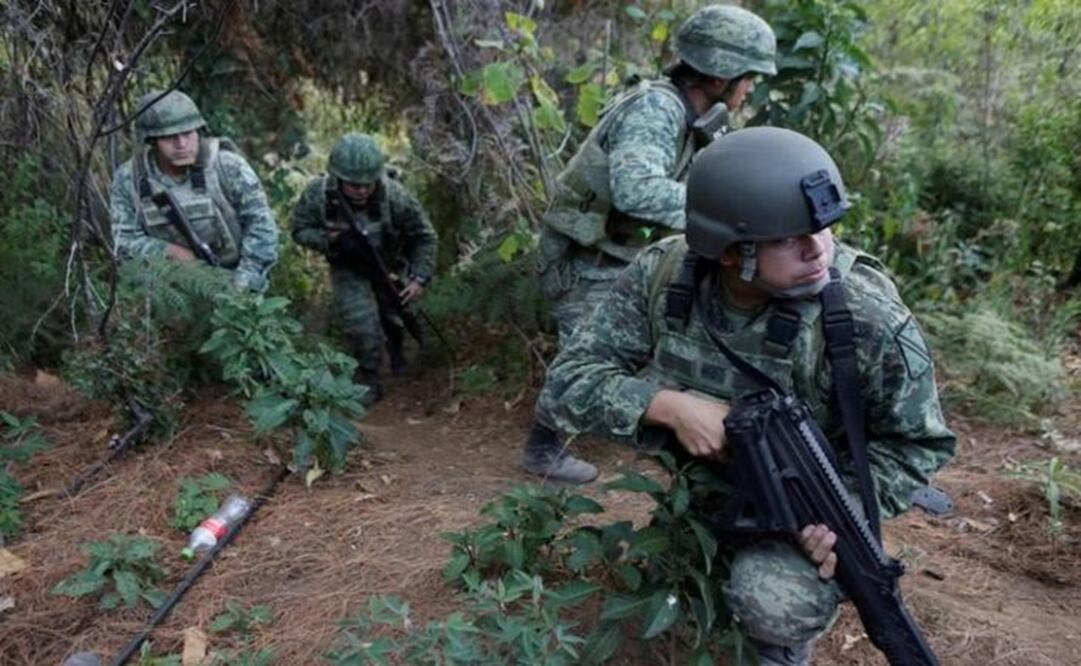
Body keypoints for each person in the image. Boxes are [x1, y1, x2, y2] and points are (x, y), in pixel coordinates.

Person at [539, 127, 956, 664]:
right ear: (731, 253)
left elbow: (917, 444)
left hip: (816, 507)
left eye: (824, 228)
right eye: (787, 237)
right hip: (709, 495)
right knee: (669, 598)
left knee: (770, 605)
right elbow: (566, 383)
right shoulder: (666, 277)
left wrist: (840, 512)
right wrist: (669, 406)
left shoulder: (863, 317)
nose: (818, 249)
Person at [521, 4, 778, 483]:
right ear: (721, 75)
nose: (750, 90)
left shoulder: (697, 115)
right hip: (587, 261)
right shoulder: (655, 108)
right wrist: (727, 212)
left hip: (626, 256)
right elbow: (636, 190)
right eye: (749, 78)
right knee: (588, 356)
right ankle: (542, 448)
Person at [292, 132, 438, 404]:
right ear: (338, 177)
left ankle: (397, 351)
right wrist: (331, 241)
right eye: (353, 184)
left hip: (391, 264)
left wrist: (419, 278)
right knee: (360, 323)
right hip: (348, 267)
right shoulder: (319, 195)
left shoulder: (395, 196)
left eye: (367, 184)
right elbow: (300, 231)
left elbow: (424, 236)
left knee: (395, 315)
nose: (361, 190)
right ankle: (368, 375)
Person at [111, 90, 279, 291]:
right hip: (166, 288)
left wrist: (243, 282)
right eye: (169, 137)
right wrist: (171, 252)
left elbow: (262, 228)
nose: (182, 144)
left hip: (235, 278)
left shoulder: (227, 166)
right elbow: (124, 241)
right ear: (152, 141)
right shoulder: (129, 178)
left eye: (188, 134)